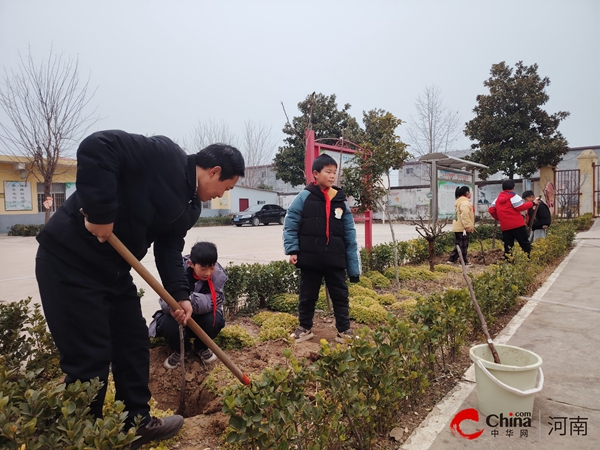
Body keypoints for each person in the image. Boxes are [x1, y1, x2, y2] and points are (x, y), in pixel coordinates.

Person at [35, 130, 244, 449]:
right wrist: (101, 213)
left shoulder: (191, 208)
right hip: (69, 261)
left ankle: (136, 423)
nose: (221, 195)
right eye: (225, 188)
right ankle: (89, 437)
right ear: (214, 172)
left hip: (112, 270)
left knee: (133, 340)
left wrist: (181, 296)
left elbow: (170, 249)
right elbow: (97, 146)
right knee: (90, 355)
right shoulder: (164, 156)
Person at [283, 153, 360, 344]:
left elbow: (349, 231)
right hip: (310, 260)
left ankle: (344, 331)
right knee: (307, 296)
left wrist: (353, 264)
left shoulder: (340, 200)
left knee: (340, 296)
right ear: (316, 174)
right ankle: (304, 328)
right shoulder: (304, 197)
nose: (333, 176)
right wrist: (293, 250)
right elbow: (291, 223)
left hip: (335, 259)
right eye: (328, 172)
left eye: (335, 172)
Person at [149, 241, 226, 369]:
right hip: (179, 318)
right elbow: (164, 299)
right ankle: (180, 351)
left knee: (215, 320)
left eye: (211, 267)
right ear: (191, 264)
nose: (208, 273)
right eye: (203, 268)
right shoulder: (177, 273)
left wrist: (188, 300)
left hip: (201, 319)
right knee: (167, 323)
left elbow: (215, 301)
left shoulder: (218, 276)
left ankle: (201, 347)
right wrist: (175, 307)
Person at [488, 180, 538, 257]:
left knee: (508, 245)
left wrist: (500, 218)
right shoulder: (514, 196)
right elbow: (520, 207)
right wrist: (533, 203)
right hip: (517, 225)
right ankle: (530, 258)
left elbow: (491, 210)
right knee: (524, 243)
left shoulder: (497, 198)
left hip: (505, 226)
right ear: (513, 187)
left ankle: (508, 261)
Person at [447, 186, 475, 266]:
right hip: (462, 228)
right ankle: (464, 262)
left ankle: (452, 259)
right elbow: (464, 215)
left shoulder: (460, 202)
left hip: (458, 227)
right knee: (463, 246)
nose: (470, 194)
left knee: (459, 245)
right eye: (469, 192)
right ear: (467, 193)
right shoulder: (465, 203)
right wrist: (467, 226)